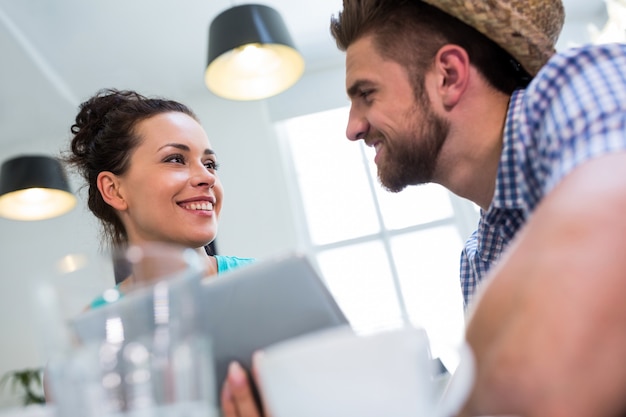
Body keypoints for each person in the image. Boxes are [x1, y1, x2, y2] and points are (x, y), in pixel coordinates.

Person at [327, 0, 626, 416]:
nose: (352, 127)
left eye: (366, 94)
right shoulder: (478, 258)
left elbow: (610, 236)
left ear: (448, 75)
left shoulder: (579, 82)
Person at [54, 88, 255, 409]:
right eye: (176, 159)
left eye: (211, 164)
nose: (206, 177)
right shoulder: (85, 339)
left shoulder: (262, 284)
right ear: (114, 189)